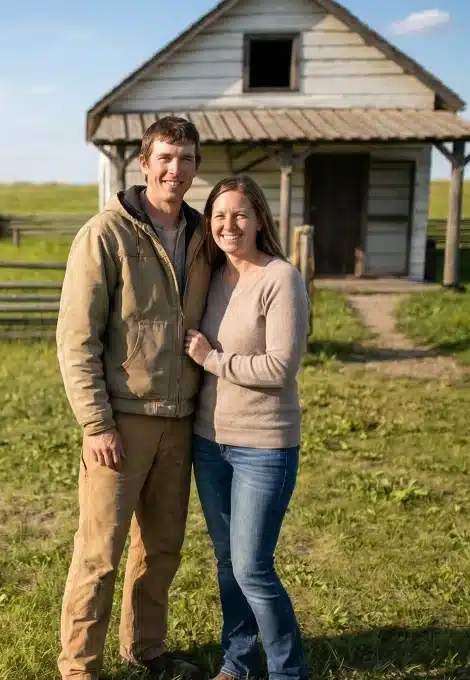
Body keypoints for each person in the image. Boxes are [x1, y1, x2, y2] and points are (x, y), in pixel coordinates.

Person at [55, 116, 213, 680]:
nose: (176, 169)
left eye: (186, 158)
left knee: (162, 548)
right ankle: (80, 669)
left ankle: (147, 650)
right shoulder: (105, 234)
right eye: (165, 157)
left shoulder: (204, 236)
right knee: (100, 553)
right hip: (122, 423)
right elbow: (77, 337)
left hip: (181, 419)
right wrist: (96, 423)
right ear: (144, 164)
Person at [183, 175, 311, 680]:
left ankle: (286, 672)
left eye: (239, 214)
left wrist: (212, 359)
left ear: (259, 219)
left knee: (253, 569)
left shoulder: (281, 278)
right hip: (209, 442)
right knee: (226, 564)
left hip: (263, 445)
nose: (228, 225)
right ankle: (237, 664)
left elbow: (281, 367)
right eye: (219, 216)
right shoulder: (213, 277)